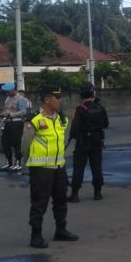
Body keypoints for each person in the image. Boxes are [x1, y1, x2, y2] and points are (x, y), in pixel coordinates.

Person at [23, 85, 79, 248]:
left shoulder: (61, 118)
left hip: (59, 166)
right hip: (41, 169)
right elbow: (25, 145)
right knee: (39, 202)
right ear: (47, 100)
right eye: (57, 98)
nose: (61, 101)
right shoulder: (34, 119)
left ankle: (61, 229)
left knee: (61, 200)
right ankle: (36, 235)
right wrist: (27, 163)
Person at [68, 82, 109, 203]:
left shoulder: (80, 109)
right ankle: (98, 193)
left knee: (78, 168)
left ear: (81, 95)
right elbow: (106, 124)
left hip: (83, 142)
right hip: (97, 141)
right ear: (93, 93)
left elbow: (74, 128)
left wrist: (73, 136)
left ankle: (75, 195)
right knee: (96, 167)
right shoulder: (100, 108)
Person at [0, 81, 31, 172]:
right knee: (5, 144)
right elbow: (7, 110)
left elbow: (23, 112)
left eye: (8, 90)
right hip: (7, 122)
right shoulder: (8, 99)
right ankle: (9, 163)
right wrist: (3, 114)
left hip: (16, 123)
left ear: (14, 90)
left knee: (17, 144)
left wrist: (10, 114)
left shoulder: (21, 99)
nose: (7, 92)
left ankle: (18, 164)